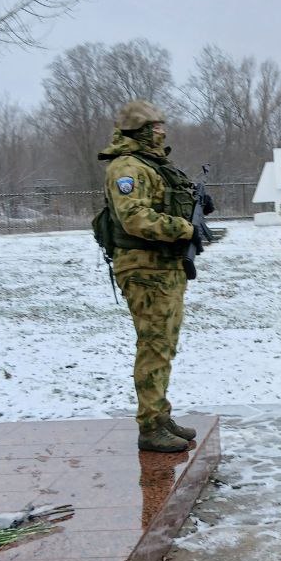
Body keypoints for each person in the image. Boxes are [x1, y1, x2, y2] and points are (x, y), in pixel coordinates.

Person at [98, 100, 205, 454]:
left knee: (164, 344)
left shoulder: (152, 164)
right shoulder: (127, 167)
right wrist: (184, 227)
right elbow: (134, 218)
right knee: (153, 345)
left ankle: (160, 415)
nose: (162, 132)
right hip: (144, 268)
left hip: (164, 267)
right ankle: (149, 425)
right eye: (156, 127)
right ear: (141, 131)